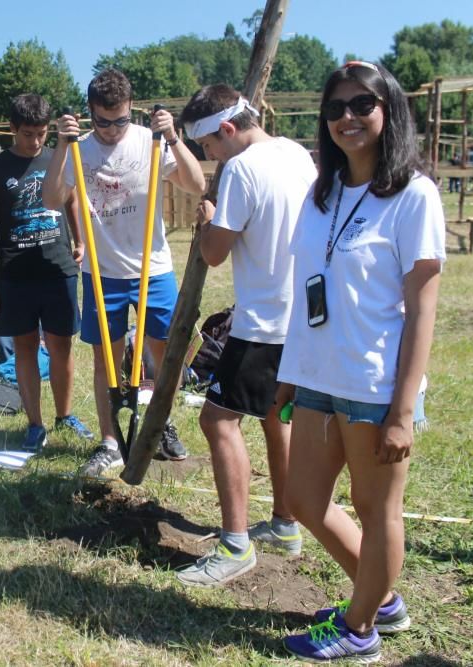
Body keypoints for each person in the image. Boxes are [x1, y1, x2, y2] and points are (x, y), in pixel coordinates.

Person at [278, 62, 445, 662]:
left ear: (387, 110)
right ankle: (380, 598)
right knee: (302, 499)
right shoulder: (321, 191)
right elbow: (307, 288)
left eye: (361, 105)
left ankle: (360, 628)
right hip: (320, 377)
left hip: (375, 385)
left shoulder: (413, 195)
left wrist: (403, 410)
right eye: (335, 108)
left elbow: (421, 311)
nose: (347, 117)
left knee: (378, 512)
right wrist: (289, 372)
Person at [171, 85, 316, 587]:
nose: (209, 158)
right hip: (301, 316)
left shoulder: (241, 170)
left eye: (208, 146)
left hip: (263, 321)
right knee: (278, 415)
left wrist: (208, 221)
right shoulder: (296, 153)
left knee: (217, 421)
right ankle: (285, 523)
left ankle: (235, 547)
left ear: (227, 130)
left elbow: (213, 253)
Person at [43, 68, 206, 475]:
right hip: (104, 271)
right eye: (103, 121)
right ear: (90, 113)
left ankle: (158, 424)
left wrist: (172, 137)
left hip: (153, 267)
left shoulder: (149, 140)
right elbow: (51, 198)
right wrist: (63, 144)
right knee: (106, 361)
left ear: (131, 110)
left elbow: (196, 182)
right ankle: (110, 441)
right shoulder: (80, 148)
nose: (113, 130)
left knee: (163, 356)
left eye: (120, 120)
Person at [0, 93, 94, 452]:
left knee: (61, 346)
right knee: (24, 349)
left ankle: (65, 415)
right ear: (13, 129)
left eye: (42, 133)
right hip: (14, 274)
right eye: (28, 133)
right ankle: (35, 424)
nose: (36, 141)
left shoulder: (60, 158)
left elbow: (72, 201)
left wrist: (81, 242)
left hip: (58, 270)